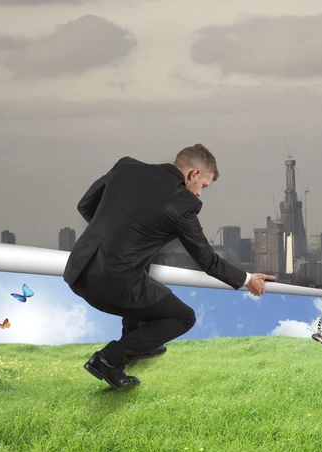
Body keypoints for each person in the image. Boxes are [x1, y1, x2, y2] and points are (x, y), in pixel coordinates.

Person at [63, 144, 276, 390]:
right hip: (110, 286)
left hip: (77, 272)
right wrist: (248, 279)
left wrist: (117, 238)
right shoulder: (182, 204)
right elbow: (207, 259)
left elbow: (85, 205)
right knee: (183, 317)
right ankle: (109, 359)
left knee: (142, 269)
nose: (199, 194)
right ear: (194, 174)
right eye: (203, 186)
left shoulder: (126, 167)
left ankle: (135, 342)